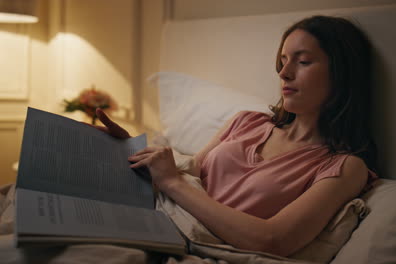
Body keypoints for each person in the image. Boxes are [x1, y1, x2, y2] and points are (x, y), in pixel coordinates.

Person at [93, 15, 378, 257]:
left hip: (190, 249)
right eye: (283, 60)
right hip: (156, 222)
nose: (284, 73)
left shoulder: (344, 167)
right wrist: (127, 148)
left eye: (303, 62)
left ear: (341, 74)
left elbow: (273, 240)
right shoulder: (247, 122)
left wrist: (172, 182)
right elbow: (193, 169)